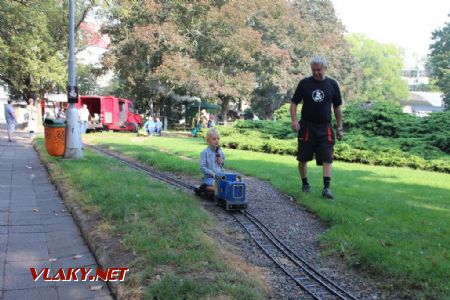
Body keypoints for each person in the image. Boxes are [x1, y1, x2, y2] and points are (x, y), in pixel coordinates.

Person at [290, 55, 344, 199]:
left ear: (325, 69)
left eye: (318, 70)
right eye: (313, 70)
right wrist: (294, 121)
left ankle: (326, 188)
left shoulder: (332, 84)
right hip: (306, 126)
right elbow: (294, 103)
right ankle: (305, 184)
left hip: (325, 127)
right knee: (302, 158)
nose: (315, 73)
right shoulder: (304, 84)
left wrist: (339, 127)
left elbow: (337, 107)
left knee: (327, 158)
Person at [196, 128, 225, 196]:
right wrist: (211, 173)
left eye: (218, 139)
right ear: (208, 140)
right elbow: (202, 167)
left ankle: (216, 191)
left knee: (225, 184)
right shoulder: (204, 152)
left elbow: (222, 165)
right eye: (214, 139)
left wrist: (221, 161)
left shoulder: (220, 151)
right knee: (217, 187)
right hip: (209, 178)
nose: (216, 141)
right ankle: (204, 188)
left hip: (219, 177)